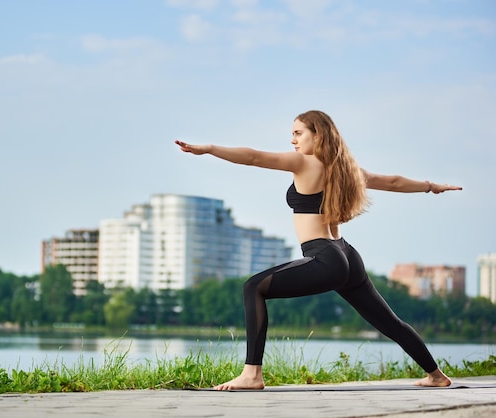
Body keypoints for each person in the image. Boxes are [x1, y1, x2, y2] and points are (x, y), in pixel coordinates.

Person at [174, 110, 462, 391]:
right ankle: (436, 375)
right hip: (347, 255)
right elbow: (393, 182)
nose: (293, 140)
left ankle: (252, 375)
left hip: (325, 256)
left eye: (298, 133)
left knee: (253, 287)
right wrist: (430, 186)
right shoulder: (348, 169)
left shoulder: (304, 163)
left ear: (318, 134)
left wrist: (210, 148)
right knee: (390, 322)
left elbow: (253, 157)